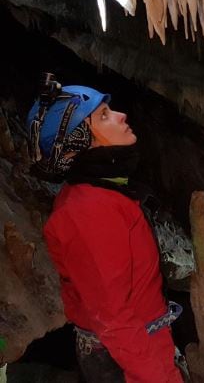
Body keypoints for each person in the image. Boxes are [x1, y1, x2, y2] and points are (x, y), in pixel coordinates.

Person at [26, 73, 183, 382]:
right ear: (78, 141)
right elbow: (113, 318)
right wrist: (157, 377)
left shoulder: (103, 192)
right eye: (104, 115)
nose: (121, 115)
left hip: (138, 343)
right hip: (127, 356)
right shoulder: (88, 211)